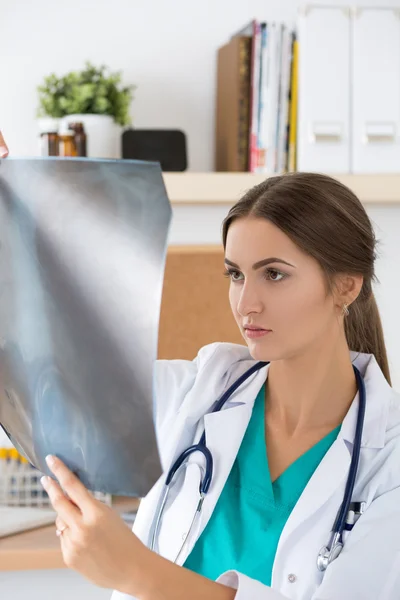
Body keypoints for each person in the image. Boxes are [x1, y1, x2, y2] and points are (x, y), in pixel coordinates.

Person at [3, 134, 400, 598]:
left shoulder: (386, 462)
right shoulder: (201, 388)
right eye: (236, 274)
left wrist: (134, 571)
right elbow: (38, 373)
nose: (246, 303)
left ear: (347, 287)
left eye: (274, 274)